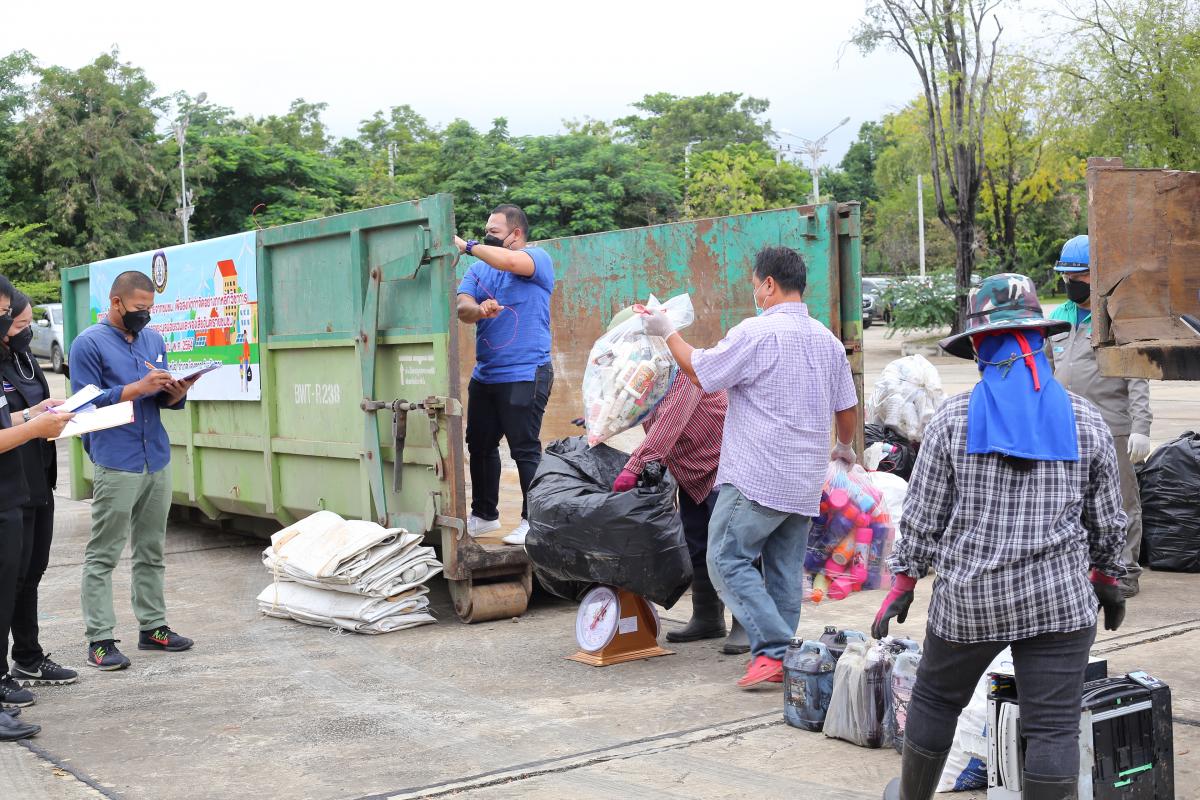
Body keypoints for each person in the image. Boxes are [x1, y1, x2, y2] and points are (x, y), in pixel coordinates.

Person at [872, 274, 1127, 800]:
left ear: (981, 349)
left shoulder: (952, 420)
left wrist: (904, 580)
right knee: (1052, 725)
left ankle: (911, 795)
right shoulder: (1086, 422)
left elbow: (923, 517)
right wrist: (1109, 578)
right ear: (1041, 343)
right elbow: (1109, 523)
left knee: (937, 701)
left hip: (971, 599)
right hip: (1060, 602)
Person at [641, 246, 859, 688]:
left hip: (758, 475)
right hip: (803, 479)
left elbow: (702, 371)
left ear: (769, 285)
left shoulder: (756, 333)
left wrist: (667, 331)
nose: (755, 291)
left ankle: (779, 649)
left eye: (756, 284)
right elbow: (848, 406)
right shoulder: (828, 340)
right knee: (781, 570)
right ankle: (785, 659)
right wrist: (845, 448)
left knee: (724, 558)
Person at [69, 271, 200, 671]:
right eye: (140, 308)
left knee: (151, 549)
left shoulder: (153, 340)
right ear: (116, 303)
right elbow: (82, 406)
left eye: (150, 308)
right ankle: (101, 639)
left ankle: (153, 627)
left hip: (155, 456)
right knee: (104, 554)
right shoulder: (87, 344)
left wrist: (175, 395)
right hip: (116, 458)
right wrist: (136, 388)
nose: (146, 315)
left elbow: (157, 399)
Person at [605, 306, 733, 648]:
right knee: (698, 544)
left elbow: (670, 421)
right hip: (690, 472)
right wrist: (598, 423)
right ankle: (707, 617)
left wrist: (634, 467)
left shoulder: (684, 369)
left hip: (722, 469)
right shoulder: (651, 374)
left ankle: (747, 625)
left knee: (730, 549)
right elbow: (628, 407)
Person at [1048, 234, 1151, 598]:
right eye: (1066, 276)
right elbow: (1045, 372)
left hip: (1112, 427)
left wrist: (1141, 427)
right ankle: (1085, 569)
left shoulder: (1116, 320)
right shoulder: (1058, 319)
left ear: (1099, 275)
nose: (1070, 282)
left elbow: (1136, 374)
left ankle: (1125, 572)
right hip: (1066, 428)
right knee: (1070, 501)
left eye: (1078, 276)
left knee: (1121, 501)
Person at [454, 204, 555, 546]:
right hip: (486, 376)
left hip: (527, 372)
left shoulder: (537, 259)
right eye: (486, 232)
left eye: (494, 232)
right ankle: (484, 515)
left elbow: (510, 262)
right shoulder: (480, 270)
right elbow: (462, 307)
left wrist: (466, 245)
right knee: (479, 445)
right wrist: (479, 310)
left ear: (517, 234)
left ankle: (534, 521)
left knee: (524, 448)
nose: (487, 237)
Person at [0, 276, 72, 741]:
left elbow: (9, 418)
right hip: (9, 489)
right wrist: (33, 425)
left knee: (23, 578)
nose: (12, 326)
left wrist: (34, 416)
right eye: (9, 317)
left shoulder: (24, 359)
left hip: (25, 486)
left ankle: (25, 657)